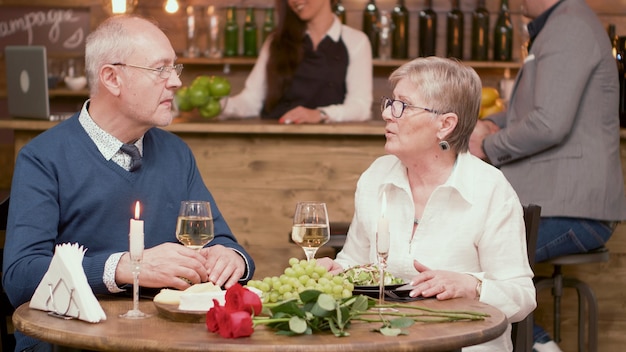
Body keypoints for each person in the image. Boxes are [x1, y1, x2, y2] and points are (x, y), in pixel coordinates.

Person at [2, 15, 255, 351]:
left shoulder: (177, 153)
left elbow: (220, 241)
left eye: (174, 68)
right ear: (112, 78)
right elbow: (20, 278)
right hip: (71, 343)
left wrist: (232, 258)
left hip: (166, 340)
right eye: (160, 69)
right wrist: (127, 267)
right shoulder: (42, 158)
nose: (176, 82)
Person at [318, 57, 536, 352]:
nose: (387, 113)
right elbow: (354, 264)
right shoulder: (376, 177)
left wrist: (472, 286)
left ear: (445, 125)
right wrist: (333, 271)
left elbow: (521, 296)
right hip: (383, 342)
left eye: (402, 106)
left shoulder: (489, 190)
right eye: (390, 102)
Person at [469, 0, 626, 350]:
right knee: (474, 262)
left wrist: (489, 145)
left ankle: (541, 346)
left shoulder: (568, 26)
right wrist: (495, 122)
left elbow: (549, 124)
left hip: (573, 210)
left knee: (470, 262)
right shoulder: (561, 24)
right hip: (562, 206)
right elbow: (537, 110)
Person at [220, 0, 373, 124]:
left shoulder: (356, 42)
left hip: (330, 149)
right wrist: (220, 106)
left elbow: (360, 107)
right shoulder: (276, 42)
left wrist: (321, 114)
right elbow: (251, 101)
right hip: (274, 145)